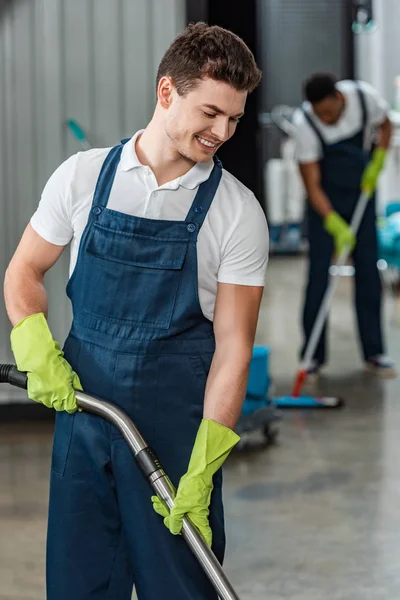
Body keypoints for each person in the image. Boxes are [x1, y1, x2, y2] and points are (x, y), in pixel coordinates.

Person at [4, 22, 268, 600]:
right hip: (88, 418)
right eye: (210, 113)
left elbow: (234, 345)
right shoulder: (82, 177)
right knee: (78, 586)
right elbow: (24, 270)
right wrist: (33, 341)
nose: (221, 131)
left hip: (175, 438)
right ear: (167, 91)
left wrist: (208, 458)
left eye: (234, 119)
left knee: (179, 589)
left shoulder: (236, 211)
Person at [293, 72, 396, 379]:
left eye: (328, 113)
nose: (323, 119)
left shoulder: (365, 98)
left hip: (362, 193)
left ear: (339, 99)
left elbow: (386, 125)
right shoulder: (305, 124)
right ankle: (312, 356)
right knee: (318, 274)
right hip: (325, 201)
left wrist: (378, 160)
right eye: (318, 114)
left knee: (368, 270)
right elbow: (312, 185)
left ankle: (375, 352)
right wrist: (334, 223)